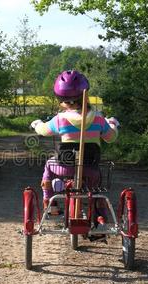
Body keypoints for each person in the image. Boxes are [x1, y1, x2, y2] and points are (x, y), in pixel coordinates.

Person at [30, 70, 119, 216]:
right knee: (95, 189)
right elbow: (111, 137)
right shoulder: (98, 118)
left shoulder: (60, 119)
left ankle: (50, 201)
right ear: (85, 95)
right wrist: (113, 124)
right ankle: (99, 213)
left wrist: (37, 124)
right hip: (91, 170)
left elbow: (43, 130)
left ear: (61, 99)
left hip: (65, 168)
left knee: (49, 164)